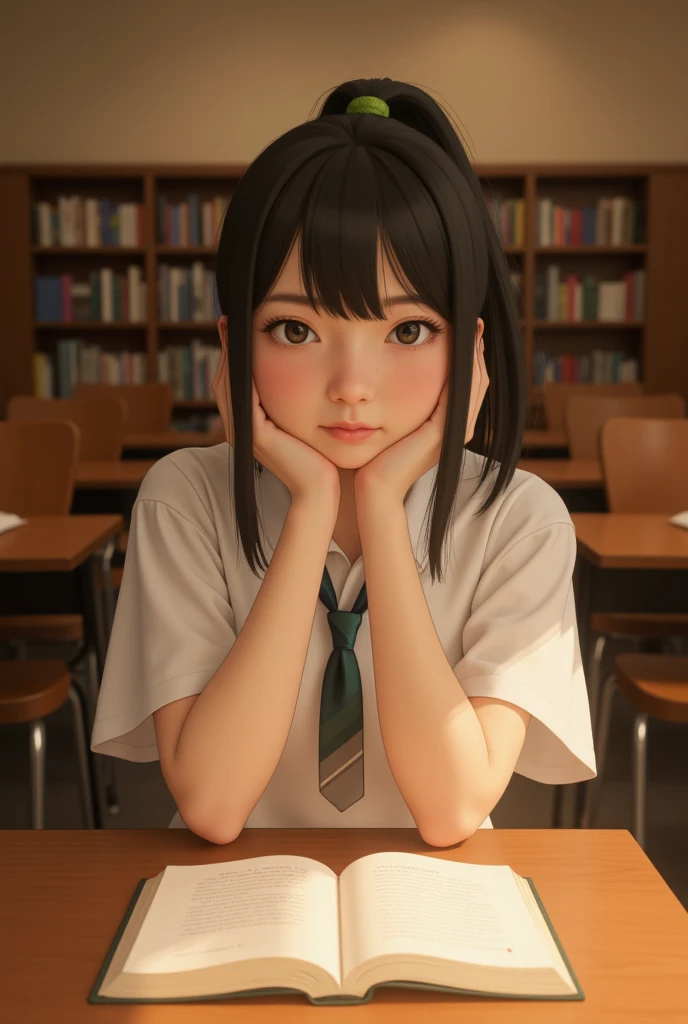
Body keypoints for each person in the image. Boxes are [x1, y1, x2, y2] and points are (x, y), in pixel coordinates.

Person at [90, 78, 596, 846]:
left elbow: (453, 808)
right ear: (232, 347)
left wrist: (386, 508)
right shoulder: (183, 500)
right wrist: (312, 507)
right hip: (230, 905)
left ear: (471, 347)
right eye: (296, 330)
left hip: (438, 909)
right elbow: (214, 806)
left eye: (407, 332)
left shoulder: (519, 518)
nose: (352, 389)